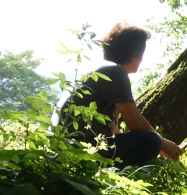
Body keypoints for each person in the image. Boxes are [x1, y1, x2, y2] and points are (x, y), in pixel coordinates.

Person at [60, 23, 180, 164]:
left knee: (149, 140)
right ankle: (114, 182)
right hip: (80, 148)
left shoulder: (99, 70)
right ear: (135, 55)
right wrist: (162, 143)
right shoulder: (115, 71)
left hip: (65, 146)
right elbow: (134, 122)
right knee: (151, 140)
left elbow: (114, 131)